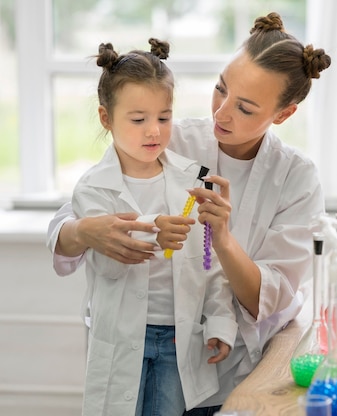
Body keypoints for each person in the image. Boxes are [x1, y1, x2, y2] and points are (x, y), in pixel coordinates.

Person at [46, 12, 332, 416]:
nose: (222, 113)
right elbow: (72, 217)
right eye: (221, 89)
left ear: (283, 114)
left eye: (245, 108)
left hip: (237, 367)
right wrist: (89, 232)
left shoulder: (296, 178)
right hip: (143, 347)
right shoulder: (167, 137)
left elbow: (267, 297)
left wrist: (224, 240)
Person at [66, 39, 238, 415]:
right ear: (106, 118)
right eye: (138, 119)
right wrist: (152, 230)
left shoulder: (193, 181)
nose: (154, 131)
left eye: (164, 117)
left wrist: (221, 323)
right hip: (121, 338)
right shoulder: (94, 188)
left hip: (179, 340)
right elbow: (111, 265)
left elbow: (209, 264)